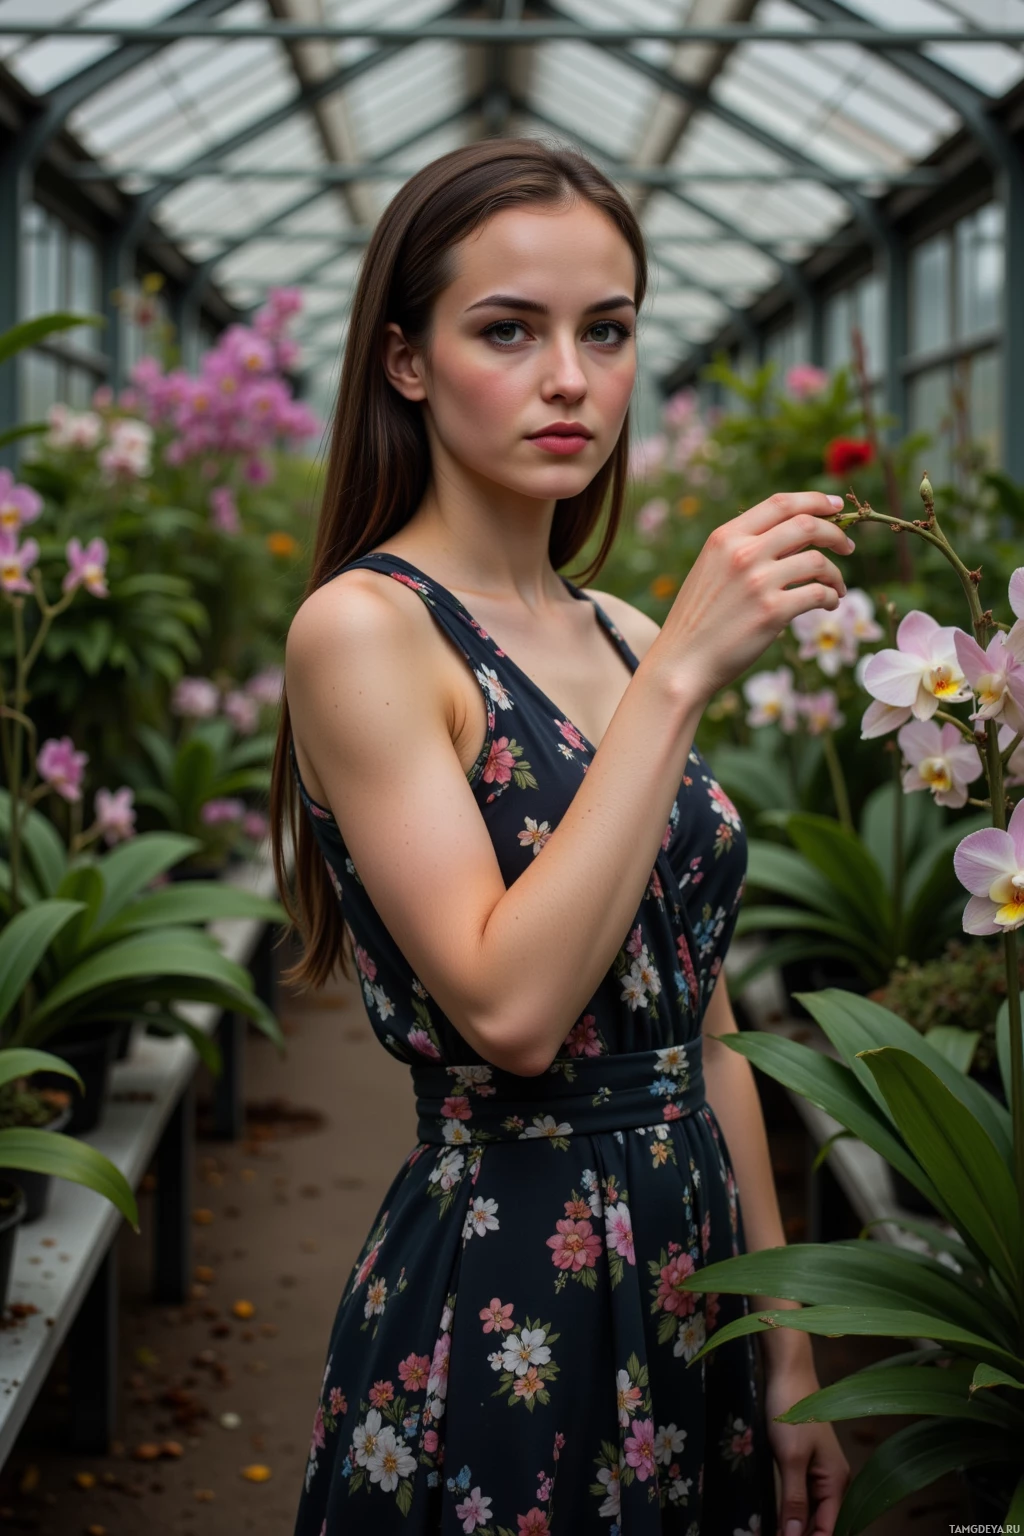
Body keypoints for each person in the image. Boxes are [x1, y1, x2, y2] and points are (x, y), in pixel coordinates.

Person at [272, 138, 852, 1536]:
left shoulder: (627, 635)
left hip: (695, 1274)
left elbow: (703, 1026)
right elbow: (513, 1011)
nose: (570, 380)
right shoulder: (368, 631)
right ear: (405, 362)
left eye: (608, 330)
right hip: (513, 1283)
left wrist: (784, 1340)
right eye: (507, 330)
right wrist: (678, 686)